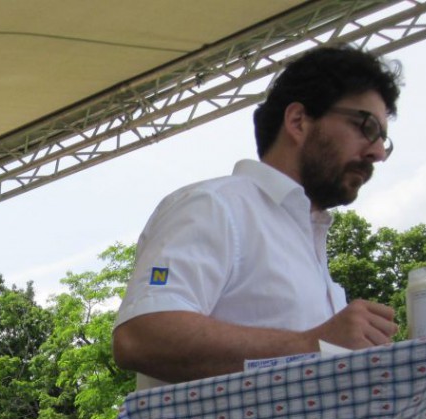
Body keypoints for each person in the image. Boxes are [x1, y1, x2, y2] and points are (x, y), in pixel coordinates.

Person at [113, 45, 401, 387]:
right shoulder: (215, 206)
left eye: (384, 138)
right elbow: (142, 335)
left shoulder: (303, 238)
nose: (378, 152)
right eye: (365, 127)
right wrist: (312, 344)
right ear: (298, 122)